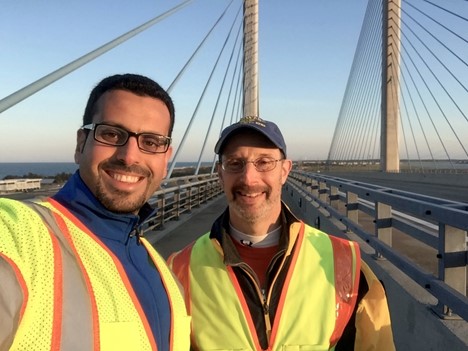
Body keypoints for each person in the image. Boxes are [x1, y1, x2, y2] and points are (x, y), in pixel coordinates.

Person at [168, 116, 395, 350]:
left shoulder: (350, 268)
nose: (249, 178)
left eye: (264, 162)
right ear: (220, 173)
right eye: (235, 163)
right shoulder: (178, 271)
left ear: (285, 171)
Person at [0, 74, 190, 350]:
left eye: (150, 142)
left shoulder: (163, 271)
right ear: (81, 144)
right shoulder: (22, 236)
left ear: (166, 158)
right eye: (111, 134)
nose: (129, 156)